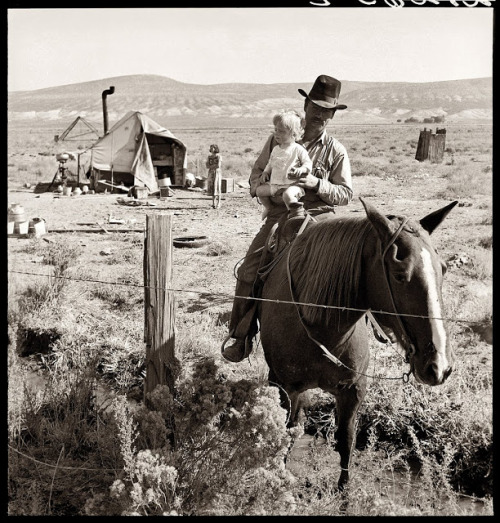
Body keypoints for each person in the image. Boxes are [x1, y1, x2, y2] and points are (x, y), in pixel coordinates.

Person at [222, 74, 354, 363]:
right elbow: (256, 174)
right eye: (315, 107)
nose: (320, 114)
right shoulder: (278, 138)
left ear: (332, 115)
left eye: (326, 110)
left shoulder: (335, 150)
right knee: (249, 270)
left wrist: (315, 183)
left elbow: (345, 194)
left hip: (320, 218)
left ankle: (359, 339)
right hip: (281, 216)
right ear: (305, 106)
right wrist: (264, 190)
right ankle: (241, 336)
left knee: (349, 273)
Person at [256, 110, 312, 219]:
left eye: (281, 131)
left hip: (292, 184)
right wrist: (266, 172)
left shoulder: (298, 149)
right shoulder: (276, 149)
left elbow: (308, 163)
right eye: (275, 130)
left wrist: (302, 169)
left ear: (294, 134)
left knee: (288, 196)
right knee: (259, 191)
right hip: (276, 184)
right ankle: (268, 208)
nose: (276, 133)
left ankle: (293, 215)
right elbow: (270, 163)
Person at [206, 144, 222, 209]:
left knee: (217, 186)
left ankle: (219, 203)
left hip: (217, 172)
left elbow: (218, 165)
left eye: (213, 148)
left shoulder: (218, 156)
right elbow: (207, 165)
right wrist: (212, 166)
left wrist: (211, 166)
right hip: (211, 173)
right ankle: (213, 203)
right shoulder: (209, 157)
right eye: (211, 148)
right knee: (212, 187)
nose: (211, 149)